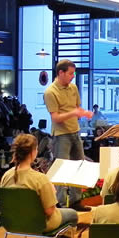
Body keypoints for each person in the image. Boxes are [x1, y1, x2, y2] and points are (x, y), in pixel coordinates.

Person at [1, 134, 78, 238]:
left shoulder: (6, 176)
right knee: (72, 215)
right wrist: (51, 192)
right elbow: (49, 211)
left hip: (14, 223)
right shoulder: (40, 179)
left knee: (55, 216)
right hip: (39, 224)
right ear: (33, 152)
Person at [43, 59, 93, 208]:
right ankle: (59, 203)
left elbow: (77, 108)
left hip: (75, 131)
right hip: (61, 134)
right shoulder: (50, 92)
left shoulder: (73, 87)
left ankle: (76, 201)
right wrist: (74, 113)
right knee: (61, 168)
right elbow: (55, 118)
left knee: (79, 166)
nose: (73, 76)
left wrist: (84, 113)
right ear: (61, 72)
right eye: (70, 73)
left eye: (73, 73)